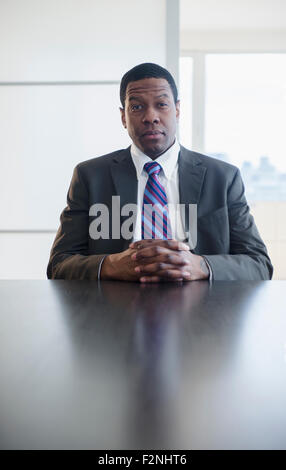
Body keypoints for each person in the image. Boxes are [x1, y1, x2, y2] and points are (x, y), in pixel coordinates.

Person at [47, 63, 273, 282]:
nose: (150, 117)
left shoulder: (223, 178)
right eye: (136, 107)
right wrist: (111, 265)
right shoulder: (90, 176)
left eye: (161, 105)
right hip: (113, 310)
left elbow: (259, 264)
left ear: (177, 110)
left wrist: (201, 265)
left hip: (202, 311)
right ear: (123, 117)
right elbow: (59, 264)